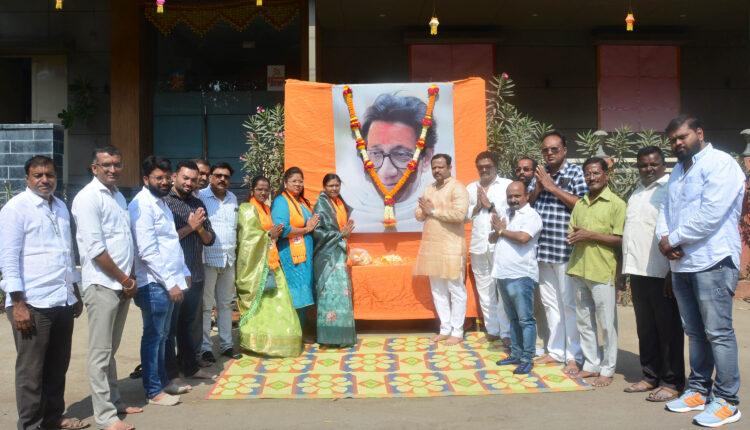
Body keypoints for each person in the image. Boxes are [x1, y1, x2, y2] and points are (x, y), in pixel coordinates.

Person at [657, 115, 744, 427]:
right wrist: (663, 240)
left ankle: (727, 401)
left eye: (683, 137)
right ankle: (698, 390)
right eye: (672, 140)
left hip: (714, 261)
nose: (677, 143)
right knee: (694, 332)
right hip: (683, 264)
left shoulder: (721, 163)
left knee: (718, 333)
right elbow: (666, 210)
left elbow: (711, 213)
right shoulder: (678, 170)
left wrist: (674, 239)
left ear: (699, 133)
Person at [1, 156, 86, 430]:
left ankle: (53, 417)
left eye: (49, 175)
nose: (45, 180)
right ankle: (30, 425)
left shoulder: (60, 206)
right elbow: (8, 260)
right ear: (27, 178)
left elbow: (67, 253)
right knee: (31, 371)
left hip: (61, 299)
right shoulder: (16, 209)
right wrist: (18, 304)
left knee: (57, 366)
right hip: (32, 303)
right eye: (38, 175)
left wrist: (74, 290)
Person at [72, 146, 141, 430]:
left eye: (117, 164)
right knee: (100, 354)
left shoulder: (117, 196)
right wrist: (126, 279)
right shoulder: (88, 198)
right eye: (106, 165)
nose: (113, 169)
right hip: (102, 285)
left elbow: (125, 242)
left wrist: (128, 279)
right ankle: (105, 417)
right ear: (94, 168)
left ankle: (114, 402)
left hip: (121, 285)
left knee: (111, 350)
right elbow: (96, 250)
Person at [622, 146, 684, 401]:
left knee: (668, 330)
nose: (648, 169)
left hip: (662, 272)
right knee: (645, 328)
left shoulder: (671, 189)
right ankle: (650, 376)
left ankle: (671, 382)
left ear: (663, 165)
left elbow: (676, 229)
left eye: (653, 164)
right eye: (643, 165)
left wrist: (672, 271)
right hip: (638, 271)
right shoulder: (637, 192)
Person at [129, 155, 187, 406]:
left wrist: (182, 272)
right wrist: (170, 283)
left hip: (168, 280)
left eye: (166, 177)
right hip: (154, 283)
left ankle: (163, 382)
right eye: (158, 178)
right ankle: (153, 391)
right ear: (146, 179)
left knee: (163, 336)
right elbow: (147, 251)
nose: (164, 182)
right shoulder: (142, 205)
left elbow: (170, 242)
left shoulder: (161, 202)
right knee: (153, 338)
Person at [529, 130, 586, 375]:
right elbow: (528, 205)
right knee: (551, 304)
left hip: (566, 250)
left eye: (554, 149)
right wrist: (538, 187)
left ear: (564, 150)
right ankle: (556, 351)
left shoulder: (575, 173)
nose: (549, 153)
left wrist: (552, 188)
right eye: (545, 150)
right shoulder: (540, 173)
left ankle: (574, 355)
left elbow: (583, 205)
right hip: (543, 251)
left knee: (569, 305)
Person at [565, 157, 626, 387]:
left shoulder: (616, 204)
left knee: (607, 323)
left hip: (602, 270)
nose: (591, 178)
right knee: (584, 322)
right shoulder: (580, 203)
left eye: (595, 173)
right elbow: (573, 232)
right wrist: (575, 236)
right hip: (580, 268)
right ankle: (591, 364)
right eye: (587, 174)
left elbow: (620, 240)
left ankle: (608, 369)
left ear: (606, 175)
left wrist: (589, 235)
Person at [346, 93, 438, 231]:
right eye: (375, 154)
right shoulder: (356, 216)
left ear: (426, 159)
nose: (386, 172)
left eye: (401, 154)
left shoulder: (438, 205)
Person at [163, 160, 218, 389]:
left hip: (195, 274)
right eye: (185, 178)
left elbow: (210, 239)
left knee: (187, 324)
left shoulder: (197, 203)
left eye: (194, 180)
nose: (189, 183)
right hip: (173, 277)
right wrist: (190, 227)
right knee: (169, 329)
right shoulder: (165, 202)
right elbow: (164, 240)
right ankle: (170, 374)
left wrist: (199, 227)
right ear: (175, 176)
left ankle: (190, 367)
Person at [235, 176, 303, 357]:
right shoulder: (247, 208)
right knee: (261, 306)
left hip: (271, 261)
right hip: (258, 266)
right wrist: (268, 235)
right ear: (252, 190)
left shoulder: (266, 208)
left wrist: (271, 235)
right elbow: (247, 239)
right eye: (259, 189)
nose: (263, 193)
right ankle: (255, 344)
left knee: (279, 303)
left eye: (266, 190)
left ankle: (278, 343)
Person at [414, 154, 470, 346]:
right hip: (432, 247)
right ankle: (445, 328)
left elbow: (459, 215)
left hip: (451, 246)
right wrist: (424, 210)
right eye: (434, 168)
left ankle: (458, 331)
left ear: (449, 168)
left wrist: (432, 211)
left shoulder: (457, 188)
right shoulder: (429, 188)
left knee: (456, 289)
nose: (437, 170)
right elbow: (418, 215)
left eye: (441, 167)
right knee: (437, 289)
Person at [490, 181, 543, 375]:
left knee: (525, 319)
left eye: (517, 196)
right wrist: (498, 230)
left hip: (521, 275)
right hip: (503, 273)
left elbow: (523, 238)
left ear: (527, 196)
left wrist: (501, 230)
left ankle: (527, 358)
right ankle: (516, 353)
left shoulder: (532, 216)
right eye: (510, 196)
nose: (513, 200)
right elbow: (492, 238)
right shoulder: (505, 213)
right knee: (512, 318)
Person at [465, 151, 512, 345]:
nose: (484, 170)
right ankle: (492, 330)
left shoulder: (507, 185)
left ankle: (506, 332)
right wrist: (477, 207)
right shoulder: (471, 188)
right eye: (481, 167)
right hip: (478, 245)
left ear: (496, 167)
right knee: (484, 290)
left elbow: (511, 214)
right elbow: (464, 217)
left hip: (500, 244)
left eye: (488, 167)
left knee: (503, 289)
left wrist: (489, 205)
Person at [271, 167, 320, 340]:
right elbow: (282, 229)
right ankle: (292, 333)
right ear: (285, 183)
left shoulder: (301, 201)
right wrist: (306, 229)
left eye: (300, 181)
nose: (298, 184)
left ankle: (300, 331)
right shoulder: (281, 201)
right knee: (295, 293)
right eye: (294, 181)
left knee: (304, 292)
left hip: (305, 254)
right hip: (290, 254)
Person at [198, 162, 239, 363]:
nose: (222, 179)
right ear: (211, 177)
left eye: (226, 176)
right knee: (206, 306)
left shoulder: (233, 198)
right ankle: (205, 348)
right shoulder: (200, 196)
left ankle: (226, 345)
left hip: (229, 259)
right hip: (208, 259)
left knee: (226, 304)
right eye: (218, 175)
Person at [312, 174, 357, 347]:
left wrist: (343, 235)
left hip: (340, 253)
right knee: (329, 297)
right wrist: (341, 234)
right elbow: (317, 232)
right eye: (330, 186)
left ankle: (342, 336)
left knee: (342, 296)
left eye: (337, 185)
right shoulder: (321, 204)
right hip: (327, 257)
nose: (334, 189)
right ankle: (329, 338)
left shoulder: (339, 203)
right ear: (324, 187)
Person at [516, 157, 549, 355]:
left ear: (535, 171)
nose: (522, 172)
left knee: (543, 303)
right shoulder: (518, 191)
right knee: (528, 303)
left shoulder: (544, 186)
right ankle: (528, 342)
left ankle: (544, 343)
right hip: (522, 258)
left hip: (545, 253)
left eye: (526, 169)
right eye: (519, 169)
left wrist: (538, 187)